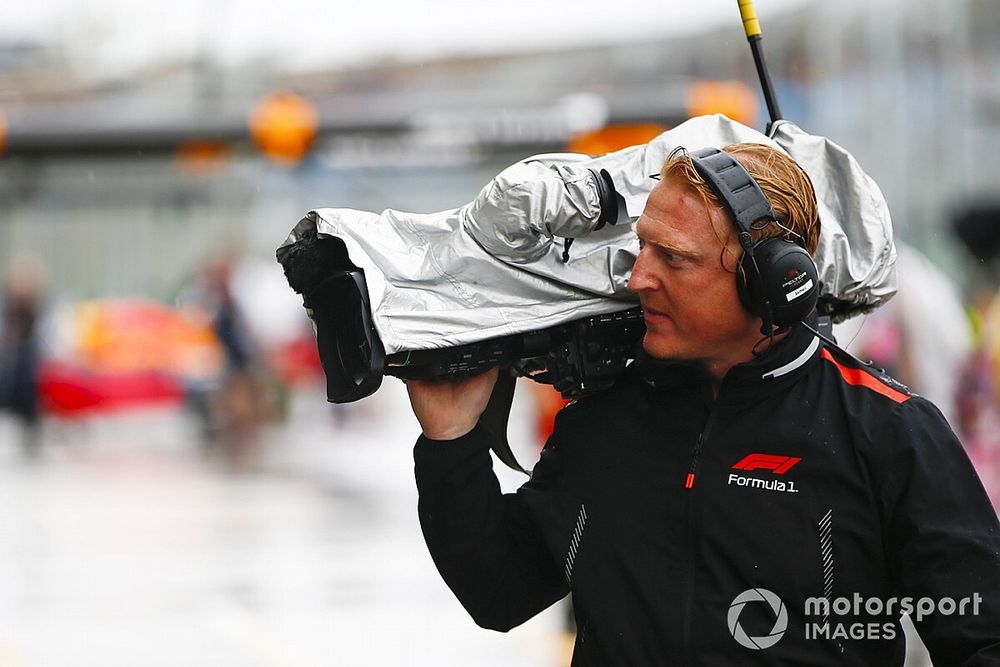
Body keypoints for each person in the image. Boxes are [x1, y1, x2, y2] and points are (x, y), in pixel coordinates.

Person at [405, 142, 1000, 665]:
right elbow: (500, 590)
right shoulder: (604, 419)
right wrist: (450, 443)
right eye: (643, 248)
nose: (639, 277)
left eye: (674, 258)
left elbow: (982, 638)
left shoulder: (887, 431)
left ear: (768, 281)